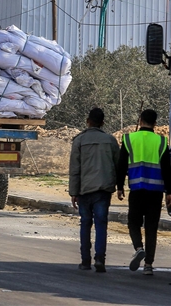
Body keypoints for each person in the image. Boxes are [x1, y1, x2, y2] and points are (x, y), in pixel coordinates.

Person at [117, 109, 171, 275]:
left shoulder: (129, 139)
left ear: (140, 120)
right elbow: (166, 169)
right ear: (155, 123)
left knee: (133, 223)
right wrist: (169, 191)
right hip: (155, 192)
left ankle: (138, 248)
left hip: (136, 190)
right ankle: (148, 265)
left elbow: (121, 165)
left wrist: (119, 186)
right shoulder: (161, 142)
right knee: (151, 228)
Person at [69, 107, 120, 273]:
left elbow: (75, 169)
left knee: (85, 223)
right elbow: (118, 166)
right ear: (103, 123)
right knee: (101, 224)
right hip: (103, 190)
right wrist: (118, 186)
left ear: (88, 121)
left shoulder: (79, 141)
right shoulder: (110, 141)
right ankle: (100, 259)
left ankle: (85, 260)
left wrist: (73, 192)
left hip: (84, 190)